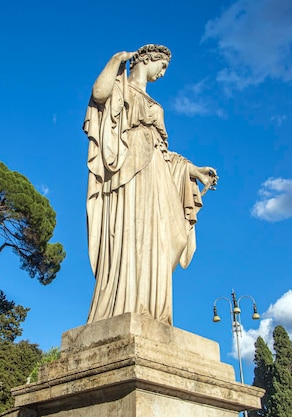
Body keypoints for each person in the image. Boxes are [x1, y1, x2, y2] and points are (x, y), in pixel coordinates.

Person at [83, 44, 218, 325]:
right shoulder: (121, 87)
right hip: (129, 170)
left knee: (170, 236)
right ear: (147, 59)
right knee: (132, 232)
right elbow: (99, 94)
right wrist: (115, 60)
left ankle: (152, 307)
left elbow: (166, 154)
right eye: (163, 65)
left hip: (156, 173)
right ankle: (127, 301)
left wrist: (195, 171)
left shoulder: (157, 106)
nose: (164, 72)